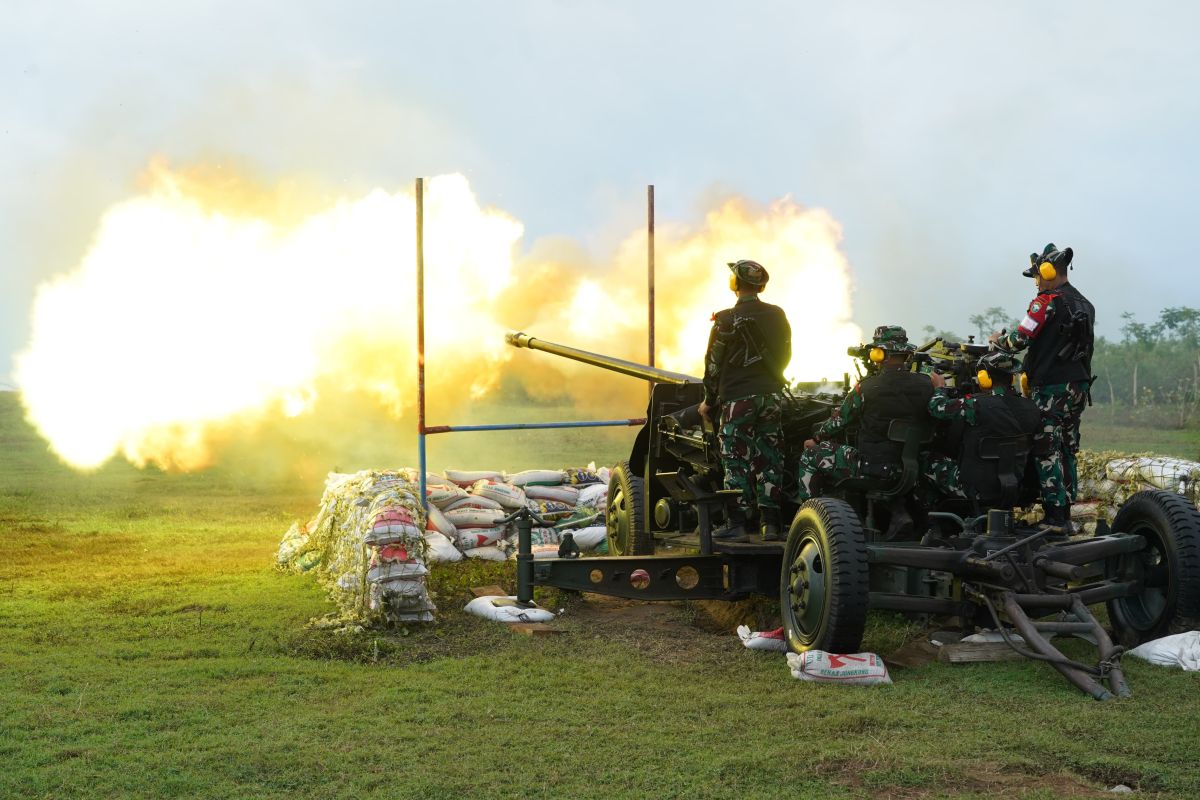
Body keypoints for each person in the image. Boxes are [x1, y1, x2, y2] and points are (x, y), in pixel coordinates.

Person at [991, 243, 1095, 526]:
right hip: (1079, 387)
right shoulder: (1085, 303)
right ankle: (1067, 510)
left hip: (1051, 387)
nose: (1035, 281)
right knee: (1067, 447)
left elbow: (1020, 338)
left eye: (1036, 275)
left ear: (1048, 272)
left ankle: (1055, 516)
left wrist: (997, 342)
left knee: (1045, 447)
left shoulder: (1046, 301)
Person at [795, 326, 934, 534]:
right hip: (912, 468)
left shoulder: (866, 388)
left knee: (811, 455)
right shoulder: (927, 384)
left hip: (872, 467)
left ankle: (810, 524)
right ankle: (898, 513)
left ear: (879, 354)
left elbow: (838, 422)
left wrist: (816, 438)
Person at [697, 259, 792, 542]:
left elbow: (713, 365)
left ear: (735, 285)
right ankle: (771, 524)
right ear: (761, 286)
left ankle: (737, 523)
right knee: (769, 458)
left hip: (738, 398)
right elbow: (786, 354)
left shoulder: (726, 319)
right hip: (771, 396)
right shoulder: (777, 314)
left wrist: (708, 400)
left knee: (735, 458)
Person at [922, 350, 1041, 508]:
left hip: (974, 488)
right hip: (1014, 486)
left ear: (984, 378)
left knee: (925, 458)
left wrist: (940, 388)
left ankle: (932, 521)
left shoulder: (976, 405)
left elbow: (936, 407)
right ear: (1012, 377)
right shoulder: (1031, 407)